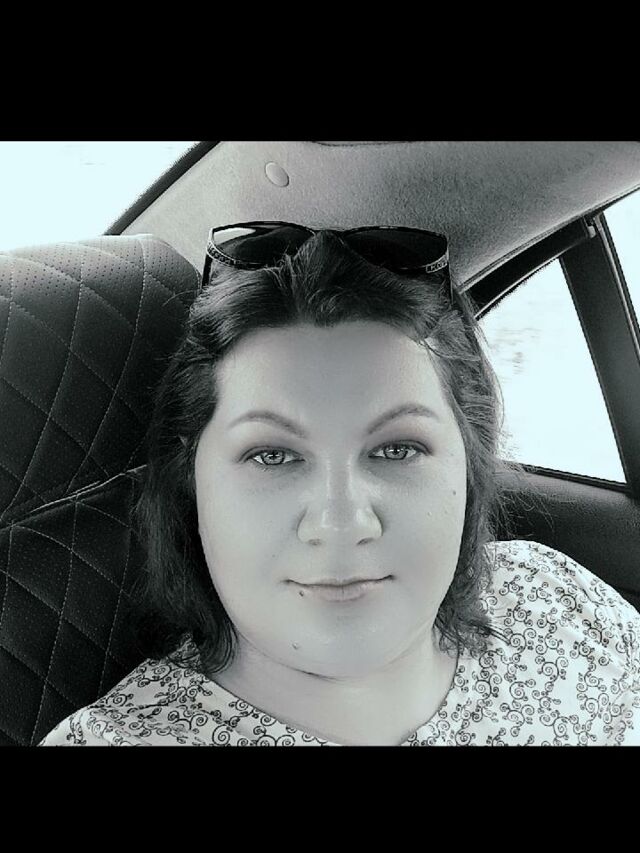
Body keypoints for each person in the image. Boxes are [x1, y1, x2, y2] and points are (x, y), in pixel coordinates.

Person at [38, 222, 640, 746]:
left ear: (468, 462)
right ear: (191, 481)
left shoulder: (556, 601)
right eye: (272, 455)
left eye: (397, 449)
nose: (342, 521)